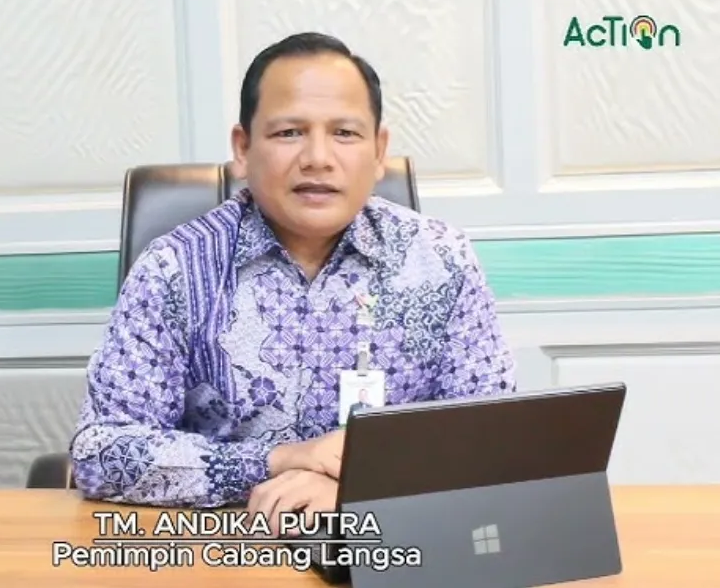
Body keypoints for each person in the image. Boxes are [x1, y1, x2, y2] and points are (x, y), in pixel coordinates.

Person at [69, 32, 517, 522]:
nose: (318, 158)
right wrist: (278, 461)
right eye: (289, 133)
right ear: (243, 148)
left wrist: (358, 488)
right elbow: (101, 453)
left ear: (378, 151)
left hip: (394, 541)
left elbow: (491, 440)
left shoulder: (442, 260)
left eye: (345, 133)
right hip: (223, 545)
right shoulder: (174, 268)